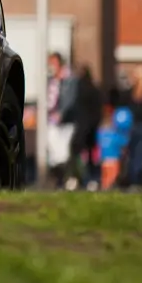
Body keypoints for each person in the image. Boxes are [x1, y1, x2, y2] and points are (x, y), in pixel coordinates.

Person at [112, 66, 142, 188]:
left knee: (134, 155)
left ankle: (135, 179)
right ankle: (136, 179)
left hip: (134, 129)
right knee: (140, 156)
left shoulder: (132, 95)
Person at [66, 65, 103, 190]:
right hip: (92, 128)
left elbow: (75, 108)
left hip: (83, 127)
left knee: (75, 151)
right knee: (92, 157)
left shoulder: (79, 90)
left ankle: (76, 178)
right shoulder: (95, 90)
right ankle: (93, 179)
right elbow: (99, 111)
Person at [45, 52, 78, 188]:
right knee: (54, 150)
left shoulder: (69, 80)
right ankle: (61, 178)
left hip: (65, 122)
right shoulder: (50, 80)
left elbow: (70, 100)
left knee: (63, 152)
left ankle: (68, 177)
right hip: (51, 121)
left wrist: (61, 113)